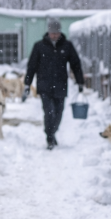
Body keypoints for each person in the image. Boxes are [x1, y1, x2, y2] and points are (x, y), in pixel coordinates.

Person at [23, 17, 85, 150]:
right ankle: (49, 138)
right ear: (48, 32)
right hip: (44, 85)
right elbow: (32, 66)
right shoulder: (39, 46)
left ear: (60, 32)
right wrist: (27, 83)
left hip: (60, 85)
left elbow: (76, 64)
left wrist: (80, 81)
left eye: (57, 33)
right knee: (48, 111)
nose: (55, 35)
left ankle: (52, 132)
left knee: (59, 112)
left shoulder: (67, 46)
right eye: (52, 33)